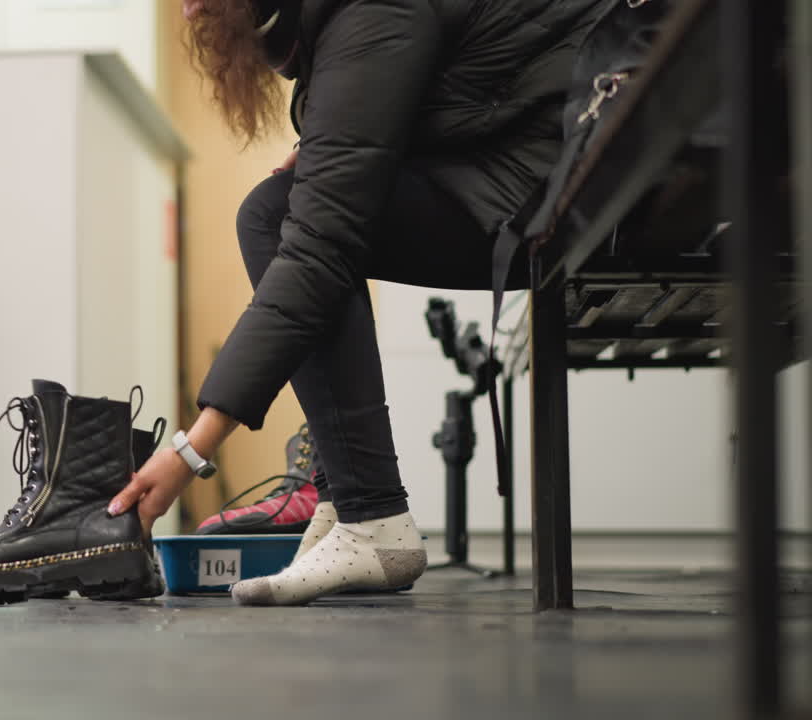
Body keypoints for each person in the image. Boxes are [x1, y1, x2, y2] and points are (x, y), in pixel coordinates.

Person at [107, 0, 612, 606]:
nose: (188, 12)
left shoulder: (370, 11)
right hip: (543, 159)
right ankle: (346, 498)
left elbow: (318, 249)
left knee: (280, 221)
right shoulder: (340, 21)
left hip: (573, 178)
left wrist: (192, 449)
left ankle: (371, 515)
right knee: (282, 208)